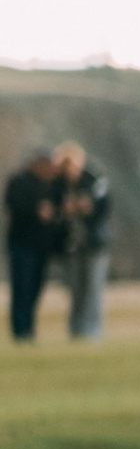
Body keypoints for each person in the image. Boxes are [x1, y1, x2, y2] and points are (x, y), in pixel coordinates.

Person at [53, 144, 110, 340]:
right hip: (71, 245)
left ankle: (92, 331)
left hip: (94, 244)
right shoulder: (59, 185)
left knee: (93, 288)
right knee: (75, 288)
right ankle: (76, 330)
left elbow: (104, 207)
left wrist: (88, 208)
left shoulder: (94, 180)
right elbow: (53, 209)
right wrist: (64, 210)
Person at [5, 145, 60, 343]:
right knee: (22, 287)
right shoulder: (19, 181)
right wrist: (36, 211)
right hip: (21, 244)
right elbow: (12, 204)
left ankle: (29, 328)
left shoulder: (52, 185)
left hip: (42, 246)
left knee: (36, 287)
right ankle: (20, 331)